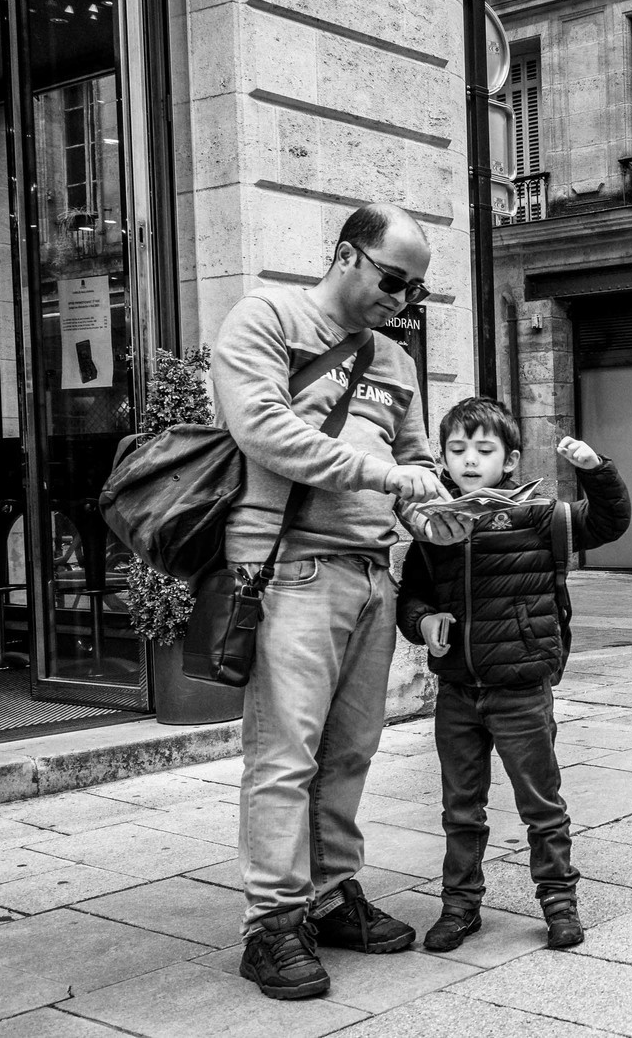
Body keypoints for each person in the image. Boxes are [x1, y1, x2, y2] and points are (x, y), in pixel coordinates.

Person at [213, 203, 466, 1000]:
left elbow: (416, 457)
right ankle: (272, 923)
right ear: (347, 256)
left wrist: (441, 511)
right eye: (395, 280)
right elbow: (262, 428)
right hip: (288, 567)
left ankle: (328, 894)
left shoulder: (394, 360)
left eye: (416, 291)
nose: (403, 299)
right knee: (285, 755)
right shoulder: (267, 319)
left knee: (351, 749)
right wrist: (387, 477)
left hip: (373, 573)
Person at [396, 397, 630, 954]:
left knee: (540, 804)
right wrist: (423, 621)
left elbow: (610, 521)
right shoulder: (435, 528)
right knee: (460, 806)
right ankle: (459, 906)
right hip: (457, 690)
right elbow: (412, 597)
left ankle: (558, 902)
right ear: (442, 460)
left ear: (510, 459)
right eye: (457, 450)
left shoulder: (539, 517)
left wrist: (596, 469)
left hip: (521, 689)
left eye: (484, 449)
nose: (469, 460)